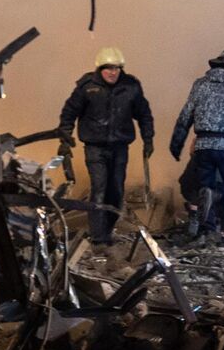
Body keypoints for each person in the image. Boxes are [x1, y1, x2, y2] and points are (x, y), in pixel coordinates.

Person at [57, 46, 156, 245]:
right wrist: (65, 139)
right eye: (108, 68)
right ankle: (98, 237)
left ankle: (107, 230)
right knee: (99, 189)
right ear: (100, 69)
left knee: (116, 191)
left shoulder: (131, 87)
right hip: (95, 148)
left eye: (117, 68)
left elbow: (144, 114)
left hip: (120, 148)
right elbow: (69, 113)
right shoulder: (86, 87)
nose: (113, 72)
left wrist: (148, 139)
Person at [169, 46, 224, 245]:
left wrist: (176, 144)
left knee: (204, 188)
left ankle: (207, 234)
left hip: (203, 146)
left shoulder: (200, 84)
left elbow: (185, 115)